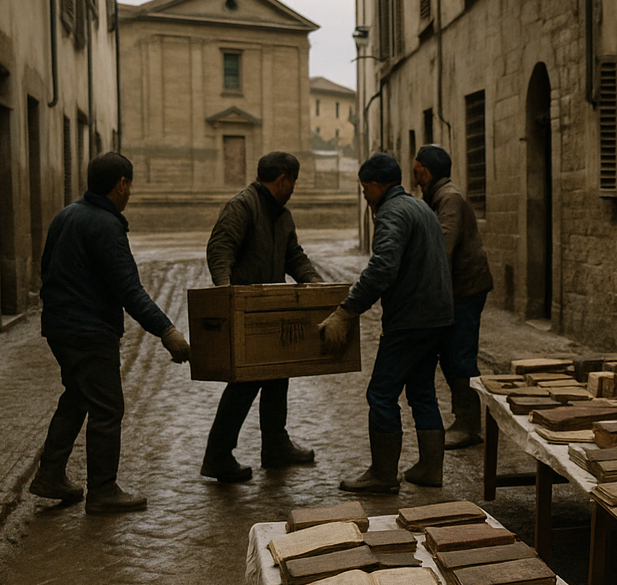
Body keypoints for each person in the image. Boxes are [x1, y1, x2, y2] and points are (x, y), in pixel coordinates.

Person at [29, 151, 191, 514]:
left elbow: (46, 268)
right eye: (129, 185)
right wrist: (166, 331)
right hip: (89, 331)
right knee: (107, 408)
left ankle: (50, 475)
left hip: (59, 326)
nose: (130, 191)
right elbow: (129, 289)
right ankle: (102, 490)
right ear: (122, 184)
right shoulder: (106, 224)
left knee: (76, 396)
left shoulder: (66, 215)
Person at [318, 153, 453, 492]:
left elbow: (382, 268)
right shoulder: (420, 208)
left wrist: (346, 311)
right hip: (436, 315)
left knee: (380, 393)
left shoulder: (391, 212)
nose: (365, 197)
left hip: (411, 318)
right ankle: (429, 469)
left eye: (365, 190)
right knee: (422, 392)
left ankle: (382, 474)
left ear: (377, 185)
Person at [199, 151, 324, 482]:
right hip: (245, 311)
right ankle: (218, 456)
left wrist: (313, 283)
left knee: (278, 374)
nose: (294, 188)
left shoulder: (282, 215)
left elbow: (294, 256)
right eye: (293, 182)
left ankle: (275, 446)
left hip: (272, 308)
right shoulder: (242, 206)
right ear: (283, 180)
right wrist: (226, 294)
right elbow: (220, 249)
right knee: (244, 384)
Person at [412, 144, 493, 451]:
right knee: (450, 354)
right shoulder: (439, 196)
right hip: (457, 289)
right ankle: (464, 419)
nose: (415, 175)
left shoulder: (449, 199)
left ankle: (469, 424)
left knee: (460, 355)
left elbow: (442, 249)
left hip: (466, 290)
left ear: (426, 172)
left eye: (417, 169)